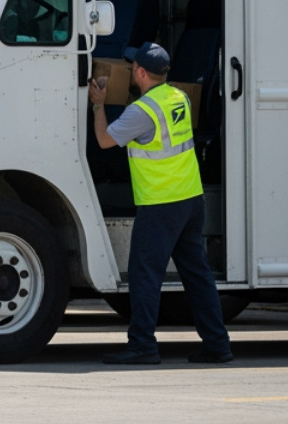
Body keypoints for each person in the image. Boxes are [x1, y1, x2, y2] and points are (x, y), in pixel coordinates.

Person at [90, 41, 233, 365]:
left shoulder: (141, 111)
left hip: (161, 204)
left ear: (141, 72)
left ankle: (142, 345)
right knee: (197, 276)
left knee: (144, 275)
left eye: (133, 67)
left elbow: (104, 140)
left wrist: (98, 106)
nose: (130, 70)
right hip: (190, 199)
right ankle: (218, 344)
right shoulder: (179, 97)